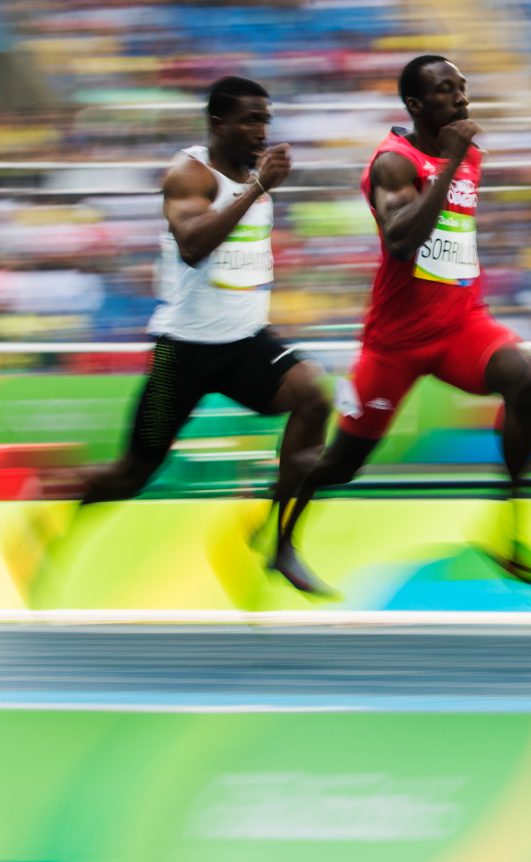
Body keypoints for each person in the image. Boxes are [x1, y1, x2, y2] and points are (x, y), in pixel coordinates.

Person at [273, 55, 531, 594]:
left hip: (462, 325)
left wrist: (456, 161)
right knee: (342, 463)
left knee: (527, 381)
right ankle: (280, 539)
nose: (461, 99)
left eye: (463, 87)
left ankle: (511, 536)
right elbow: (402, 241)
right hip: (397, 341)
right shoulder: (393, 161)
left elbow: (450, 236)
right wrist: (451, 162)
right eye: (445, 91)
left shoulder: (469, 154)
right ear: (415, 104)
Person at [83, 75, 329, 530]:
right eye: (250, 120)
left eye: (266, 120)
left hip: (244, 343)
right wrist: (257, 188)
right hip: (183, 353)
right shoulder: (189, 175)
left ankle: (279, 539)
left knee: (314, 398)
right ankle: (66, 505)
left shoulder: (253, 171)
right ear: (217, 124)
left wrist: (257, 184)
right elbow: (193, 248)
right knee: (132, 474)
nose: (262, 131)